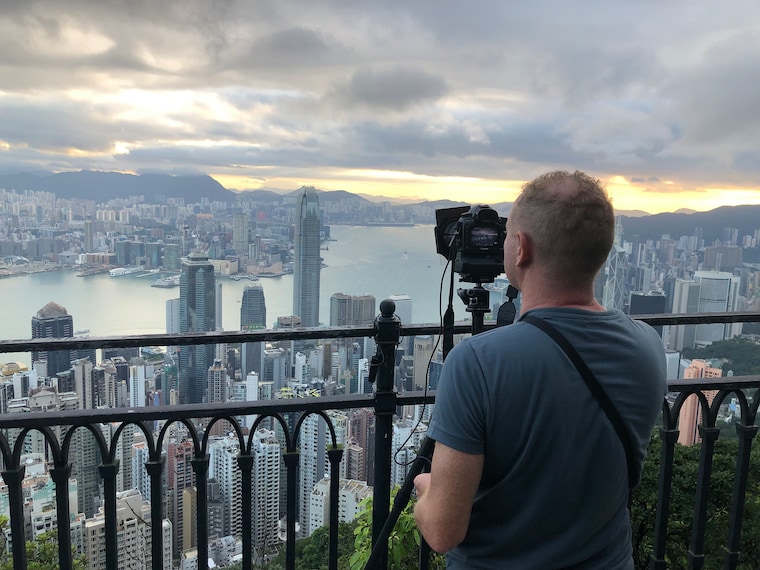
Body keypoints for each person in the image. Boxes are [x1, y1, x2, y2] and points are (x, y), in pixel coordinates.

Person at [413, 170, 667, 569]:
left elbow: (443, 532)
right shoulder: (649, 346)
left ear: (522, 249)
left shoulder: (476, 363)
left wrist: (426, 490)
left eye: (506, 235)